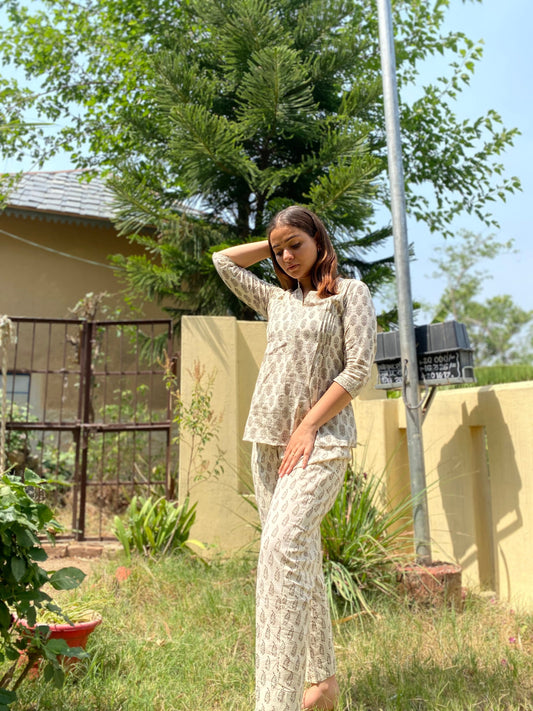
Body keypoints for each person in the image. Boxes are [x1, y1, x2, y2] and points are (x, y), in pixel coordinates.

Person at [212, 205, 377, 711]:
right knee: (297, 556)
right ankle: (321, 683)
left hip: (321, 441)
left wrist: (308, 425)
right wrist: (272, 243)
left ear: (319, 240)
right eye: (279, 249)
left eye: (296, 245)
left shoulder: (351, 294)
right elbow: (222, 261)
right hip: (268, 443)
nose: (286, 257)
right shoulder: (277, 300)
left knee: (281, 547)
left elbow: (359, 368)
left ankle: (275, 701)